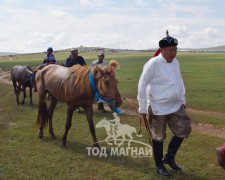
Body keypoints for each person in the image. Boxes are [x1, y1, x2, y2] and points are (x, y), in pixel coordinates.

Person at [137, 31, 192, 177]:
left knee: (184, 129)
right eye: (171, 50)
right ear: (162, 50)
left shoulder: (175, 62)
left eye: (175, 50)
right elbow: (142, 83)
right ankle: (159, 165)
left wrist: (183, 100)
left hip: (175, 104)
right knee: (158, 136)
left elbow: (179, 81)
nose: (174, 53)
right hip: (158, 106)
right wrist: (142, 107)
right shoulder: (153, 63)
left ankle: (169, 157)